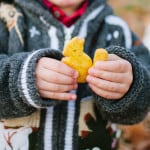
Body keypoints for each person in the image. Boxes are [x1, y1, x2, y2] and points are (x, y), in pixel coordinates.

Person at [0, 0, 149, 149]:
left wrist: (129, 86)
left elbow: (142, 101)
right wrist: (20, 80)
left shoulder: (116, 28)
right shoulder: (6, 20)